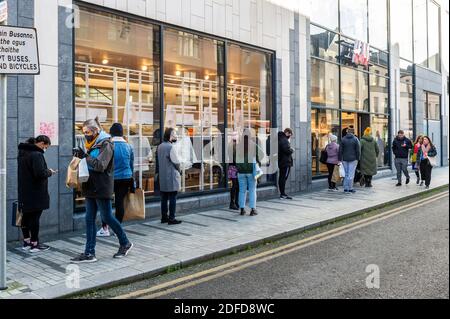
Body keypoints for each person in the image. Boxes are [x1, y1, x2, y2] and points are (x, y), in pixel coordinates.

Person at [71, 119, 133, 264]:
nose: (85, 135)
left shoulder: (106, 143)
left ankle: (125, 243)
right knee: (89, 219)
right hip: (90, 186)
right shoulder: (92, 144)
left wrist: (84, 156)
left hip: (101, 186)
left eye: (87, 132)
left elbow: (100, 165)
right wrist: (80, 157)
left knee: (108, 217)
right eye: (84, 132)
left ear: (96, 131)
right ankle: (89, 252)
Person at [18, 136, 57, 252]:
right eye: (46, 146)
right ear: (40, 143)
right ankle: (35, 245)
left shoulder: (22, 153)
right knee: (34, 218)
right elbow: (40, 173)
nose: (45, 149)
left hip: (24, 191)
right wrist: (50, 172)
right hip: (36, 192)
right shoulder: (36, 154)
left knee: (25, 217)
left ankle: (26, 242)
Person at [97, 123, 135, 237]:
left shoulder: (109, 145)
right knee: (120, 203)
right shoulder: (129, 146)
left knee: (106, 203)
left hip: (111, 178)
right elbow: (131, 164)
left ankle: (105, 228)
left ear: (111, 133)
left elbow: (103, 163)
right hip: (126, 177)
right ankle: (117, 228)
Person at [157, 128, 183, 225]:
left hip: (163, 176)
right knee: (173, 197)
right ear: (170, 135)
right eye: (175, 134)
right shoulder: (170, 147)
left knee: (164, 198)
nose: (176, 136)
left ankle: (164, 217)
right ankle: (172, 218)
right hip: (171, 176)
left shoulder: (160, 146)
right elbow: (176, 162)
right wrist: (180, 170)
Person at [236, 129, 264, 216]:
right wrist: (256, 159)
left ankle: (242, 209)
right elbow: (262, 155)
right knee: (252, 190)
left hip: (240, 172)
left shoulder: (238, 146)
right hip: (251, 172)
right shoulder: (253, 145)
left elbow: (234, 159)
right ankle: (253, 209)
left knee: (242, 191)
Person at [339, 127, 361, 194]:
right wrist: (358, 158)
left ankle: (345, 188)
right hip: (353, 159)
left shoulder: (343, 139)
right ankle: (350, 188)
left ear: (347, 132)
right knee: (351, 174)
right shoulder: (355, 139)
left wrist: (340, 158)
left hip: (344, 159)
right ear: (353, 132)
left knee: (346, 174)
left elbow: (340, 150)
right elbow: (358, 150)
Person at [278, 128, 294, 199]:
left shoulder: (279, 138)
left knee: (281, 177)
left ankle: (282, 193)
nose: (290, 136)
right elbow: (286, 150)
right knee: (283, 178)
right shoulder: (284, 140)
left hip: (281, 161)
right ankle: (283, 194)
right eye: (290, 134)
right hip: (285, 162)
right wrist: (291, 150)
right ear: (287, 132)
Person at [227, 133, 239, 210]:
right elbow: (236, 158)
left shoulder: (230, 145)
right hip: (235, 167)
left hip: (231, 167)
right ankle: (234, 203)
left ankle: (234, 202)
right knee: (235, 186)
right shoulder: (234, 146)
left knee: (234, 186)